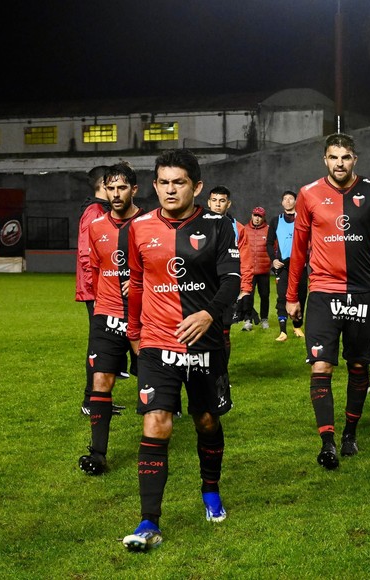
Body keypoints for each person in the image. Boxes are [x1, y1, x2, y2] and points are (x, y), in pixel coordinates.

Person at [122, 149, 241, 552]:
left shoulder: (219, 226)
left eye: (180, 182)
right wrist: (135, 337)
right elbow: (135, 285)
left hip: (206, 342)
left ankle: (210, 491)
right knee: (156, 423)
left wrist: (209, 314)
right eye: (164, 182)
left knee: (206, 420)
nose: (171, 189)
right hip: (157, 342)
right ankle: (148, 521)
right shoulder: (137, 228)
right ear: (154, 185)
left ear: (197, 186)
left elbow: (231, 281)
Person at [285, 133, 370, 470]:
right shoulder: (308, 194)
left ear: (354, 160)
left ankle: (350, 432)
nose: (339, 163)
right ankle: (328, 442)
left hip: (363, 292)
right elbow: (299, 248)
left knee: (359, 366)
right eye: (334, 157)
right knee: (322, 366)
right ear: (325, 159)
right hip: (322, 292)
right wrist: (292, 296)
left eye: (346, 157)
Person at [78, 162, 142, 475]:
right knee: (101, 382)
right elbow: (94, 269)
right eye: (111, 188)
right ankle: (98, 453)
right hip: (106, 314)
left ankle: (158, 433)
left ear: (134, 190)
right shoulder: (96, 227)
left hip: (145, 318)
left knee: (153, 383)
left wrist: (143, 284)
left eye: (121, 188)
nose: (115, 194)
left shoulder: (149, 223)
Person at [77, 165, 128, 417]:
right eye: (112, 186)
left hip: (100, 290)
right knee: (97, 347)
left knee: (105, 345)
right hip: (96, 292)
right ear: (102, 186)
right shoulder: (95, 212)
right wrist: (98, 292)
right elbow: (88, 256)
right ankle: (90, 400)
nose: (117, 192)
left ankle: (100, 399)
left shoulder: (99, 210)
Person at [206, 185, 253, 361]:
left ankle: (222, 374)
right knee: (201, 330)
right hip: (201, 286)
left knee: (224, 332)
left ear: (229, 204)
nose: (218, 205)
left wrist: (245, 290)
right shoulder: (198, 225)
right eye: (214, 200)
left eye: (222, 201)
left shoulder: (239, 229)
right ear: (208, 202)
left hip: (226, 287)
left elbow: (246, 261)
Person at [267, 190, 308, 341]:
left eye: (291, 198)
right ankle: (283, 331)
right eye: (285, 199)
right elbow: (269, 243)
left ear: (296, 201)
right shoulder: (276, 220)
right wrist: (273, 259)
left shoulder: (303, 219)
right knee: (282, 297)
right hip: (283, 265)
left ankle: (297, 326)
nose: (288, 201)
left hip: (300, 265)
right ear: (282, 202)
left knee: (302, 296)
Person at [241, 206, 271, 331]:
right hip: (249, 271)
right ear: (251, 216)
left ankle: (264, 319)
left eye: (259, 216)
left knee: (264, 295)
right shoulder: (244, 229)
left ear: (263, 218)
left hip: (264, 270)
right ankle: (248, 320)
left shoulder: (269, 230)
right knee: (248, 295)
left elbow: (273, 247)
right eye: (255, 215)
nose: (257, 218)